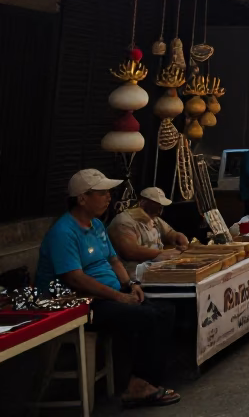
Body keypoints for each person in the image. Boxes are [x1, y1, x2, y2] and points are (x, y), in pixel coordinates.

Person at [37, 170, 179, 408]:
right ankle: (139, 387)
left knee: (166, 310)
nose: (109, 198)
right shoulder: (63, 232)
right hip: (82, 302)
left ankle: (143, 381)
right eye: (102, 193)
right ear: (82, 198)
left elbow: (114, 261)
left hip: (110, 295)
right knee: (148, 317)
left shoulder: (97, 226)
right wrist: (119, 297)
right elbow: (76, 279)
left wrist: (131, 285)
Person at [108, 187, 189, 276]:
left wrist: (177, 236)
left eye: (161, 206)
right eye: (157, 205)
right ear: (144, 203)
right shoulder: (124, 221)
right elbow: (130, 251)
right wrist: (163, 253)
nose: (160, 209)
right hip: (135, 272)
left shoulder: (154, 219)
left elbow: (169, 233)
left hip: (156, 267)